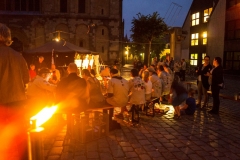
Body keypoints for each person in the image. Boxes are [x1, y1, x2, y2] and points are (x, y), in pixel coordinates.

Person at [0, 23, 29, 160]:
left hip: (2, 104)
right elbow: (26, 79)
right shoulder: (18, 56)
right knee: (20, 139)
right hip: (18, 103)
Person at [56, 63, 88, 134]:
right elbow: (86, 94)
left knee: (68, 108)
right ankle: (78, 126)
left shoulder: (63, 81)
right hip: (81, 105)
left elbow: (58, 93)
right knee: (77, 107)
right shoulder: (82, 81)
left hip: (67, 106)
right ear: (76, 70)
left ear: (68, 70)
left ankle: (69, 129)